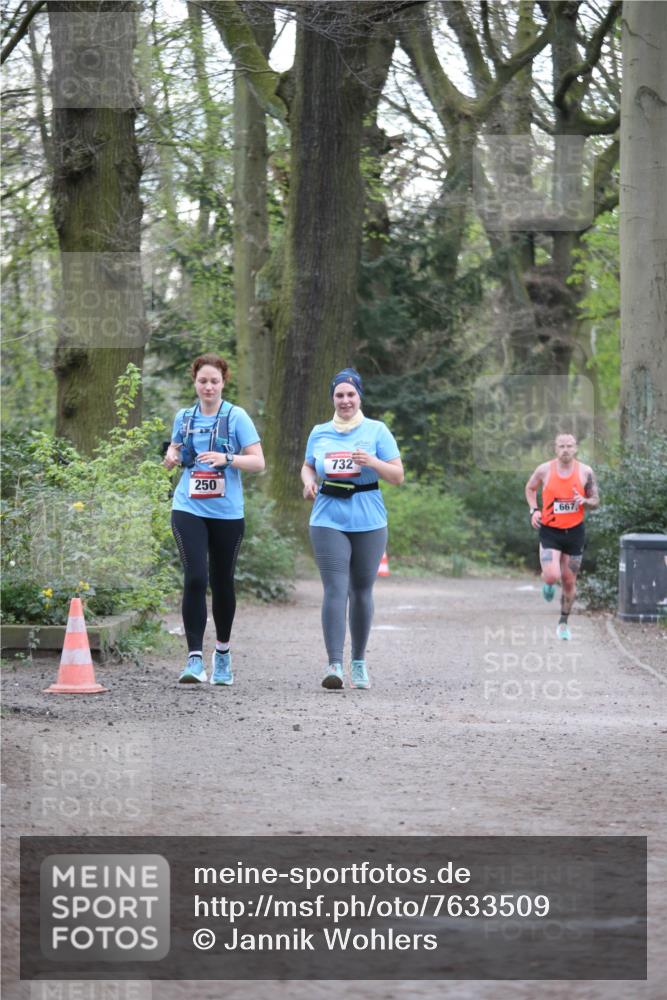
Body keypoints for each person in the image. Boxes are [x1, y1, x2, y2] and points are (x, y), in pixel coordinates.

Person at [163, 354, 264, 684]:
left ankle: (222, 653)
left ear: (223, 382)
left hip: (227, 512)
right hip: (188, 506)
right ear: (195, 382)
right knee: (195, 577)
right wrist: (171, 455)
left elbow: (258, 462)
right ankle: (194, 659)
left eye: (214, 381)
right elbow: (175, 451)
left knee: (222, 582)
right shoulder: (184, 417)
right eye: (202, 381)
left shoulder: (237, 417)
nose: (208, 386)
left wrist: (227, 458)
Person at [301, 368, 404, 690]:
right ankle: (334, 665)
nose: (345, 400)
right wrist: (308, 482)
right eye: (339, 395)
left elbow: (397, 476)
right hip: (327, 517)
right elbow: (307, 465)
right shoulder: (319, 432)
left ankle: (358, 662)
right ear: (332, 398)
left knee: (361, 591)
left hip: (369, 519)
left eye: (350, 395)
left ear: (359, 397)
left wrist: (372, 462)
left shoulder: (377, 431)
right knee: (334, 588)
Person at [525, 433, 599, 640]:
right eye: (561, 446)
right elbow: (530, 489)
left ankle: (563, 623)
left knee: (569, 580)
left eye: (569, 446)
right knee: (552, 575)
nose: (565, 450)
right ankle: (548, 582)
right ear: (555, 449)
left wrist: (584, 501)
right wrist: (534, 510)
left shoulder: (585, 471)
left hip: (575, 532)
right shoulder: (544, 470)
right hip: (550, 531)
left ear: (576, 448)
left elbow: (596, 500)